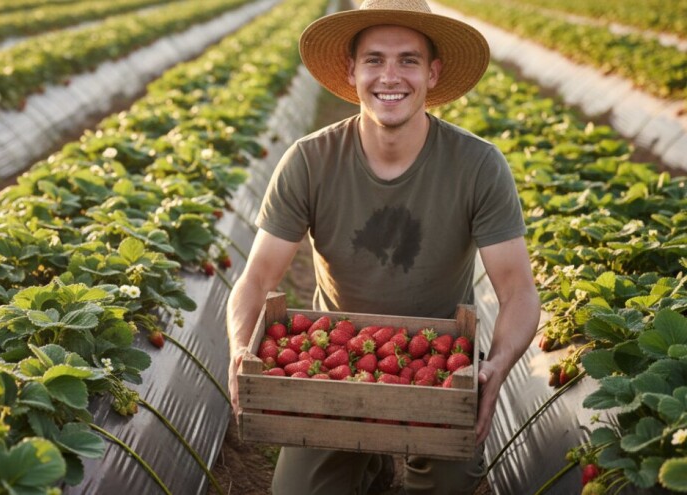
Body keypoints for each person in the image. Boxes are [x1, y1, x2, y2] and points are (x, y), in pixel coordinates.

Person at [225, 0, 541, 493]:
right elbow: (258, 277)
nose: (390, 76)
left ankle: (396, 462)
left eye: (408, 60)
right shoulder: (309, 160)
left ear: (433, 73)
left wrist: (496, 365)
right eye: (374, 59)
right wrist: (241, 349)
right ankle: (365, 461)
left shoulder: (479, 165)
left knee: (447, 484)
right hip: (330, 362)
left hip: (440, 365)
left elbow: (519, 290)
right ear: (351, 70)